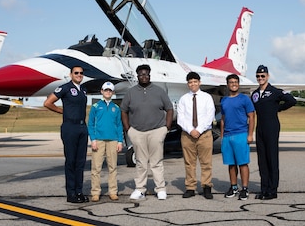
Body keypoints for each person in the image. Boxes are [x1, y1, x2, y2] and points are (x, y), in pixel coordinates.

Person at [120, 64, 173, 201]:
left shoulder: (159, 91)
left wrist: (166, 127)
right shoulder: (131, 92)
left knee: (156, 162)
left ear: (149, 75)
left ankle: (160, 189)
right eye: (141, 74)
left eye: (146, 74)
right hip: (137, 131)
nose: (144, 76)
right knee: (140, 162)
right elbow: (124, 110)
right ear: (137, 76)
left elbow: (169, 109)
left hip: (157, 130)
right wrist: (128, 129)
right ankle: (140, 189)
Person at [44, 66, 89, 203]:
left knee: (81, 162)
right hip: (70, 127)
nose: (79, 75)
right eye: (76, 73)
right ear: (71, 74)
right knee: (71, 161)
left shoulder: (84, 90)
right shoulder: (65, 88)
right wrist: (62, 112)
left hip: (82, 127)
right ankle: (71, 193)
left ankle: (79, 191)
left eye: (81, 73)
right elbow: (48, 103)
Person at [251, 65, 296, 200]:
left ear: (268, 76)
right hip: (260, 128)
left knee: (271, 158)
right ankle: (264, 189)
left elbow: (292, 100)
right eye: (258, 76)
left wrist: (278, 108)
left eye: (263, 76)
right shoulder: (254, 94)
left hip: (271, 127)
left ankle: (272, 190)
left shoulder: (275, 91)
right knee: (262, 160)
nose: (260, 78)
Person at [177, 71, 215, 199]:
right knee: (189, 162)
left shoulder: (207, 97)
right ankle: (190, 187)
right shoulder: (183, 99)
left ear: (200, 82)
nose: (193, 84)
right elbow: (180, 118)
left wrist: (198, 130)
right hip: (187, 135)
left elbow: (210, 115)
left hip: (204, 134)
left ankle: (206, 186)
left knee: (206, 162)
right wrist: (190, 130)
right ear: (187, 84)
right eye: (190, 82)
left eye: (195, 82)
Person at [220, 74, 255, 200]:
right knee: (231, 164)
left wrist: (250, 134)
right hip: (228, 136)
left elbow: (251, 117)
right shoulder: (224, 100)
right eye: (231, 82)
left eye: (235, 82)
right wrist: (223, 135)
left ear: (238, 84)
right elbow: (223, 119)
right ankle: (233, 187)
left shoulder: (244, 99)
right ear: (227, 84)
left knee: (243, 163)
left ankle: (244, 188)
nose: (233, 84)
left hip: (241, 134)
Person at [88, 81, 123, 202]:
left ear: (112, 93)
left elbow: (119, 125)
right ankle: (95, 192)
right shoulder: (96, 107)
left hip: (113, 140)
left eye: (110, 90)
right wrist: (93, 139)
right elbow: (91, 124)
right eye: (105, 90)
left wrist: (120, 141)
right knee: (96, 168)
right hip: (99, 140)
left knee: (112, 167)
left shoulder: (116, 108)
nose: (108, 92)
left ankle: (113, 191)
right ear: (102, 91)